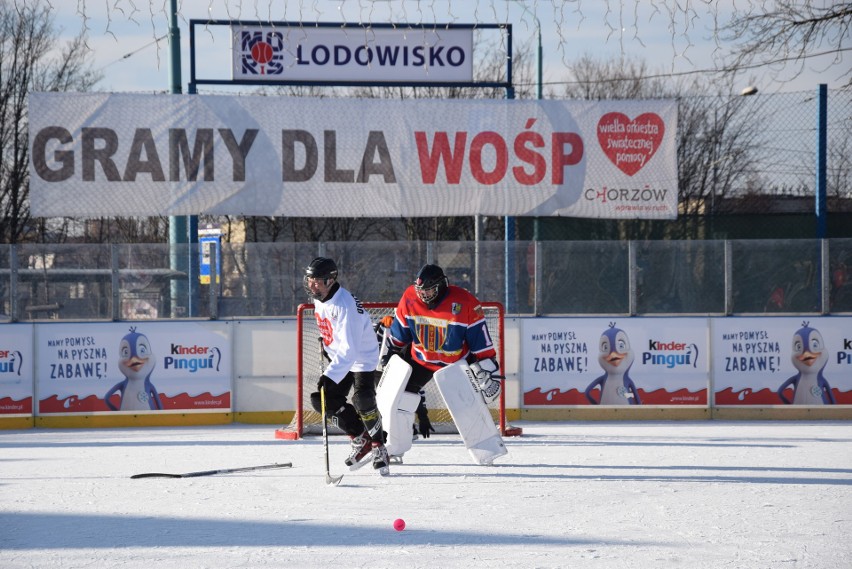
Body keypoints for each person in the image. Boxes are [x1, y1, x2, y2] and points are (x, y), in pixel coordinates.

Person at [382, 264, 502, 441]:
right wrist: (390, 354)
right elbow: (400, 334)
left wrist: (488, 369)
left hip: (456, 364)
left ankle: (486, 445)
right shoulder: (409, 297)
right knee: (401, 398)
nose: (423, 295)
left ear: (441, 286)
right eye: (420, 291)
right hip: (422, 360)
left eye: (428, 291)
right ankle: (398, 442)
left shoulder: (465, 302)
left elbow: (480, 341)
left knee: (469, 405)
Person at [304, 257, 389, 475]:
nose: (312, 285)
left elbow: (350, 350)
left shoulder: (345, 305)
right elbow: (332, 331)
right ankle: (361, 437)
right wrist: (327, 343)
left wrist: (330, 375)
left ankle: (379, 446)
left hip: (361, 358)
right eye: (310, 280)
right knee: (321, 400)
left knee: (362, 399)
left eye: (317, 281)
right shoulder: (320, 298)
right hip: (340, 358)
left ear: (331, 280)